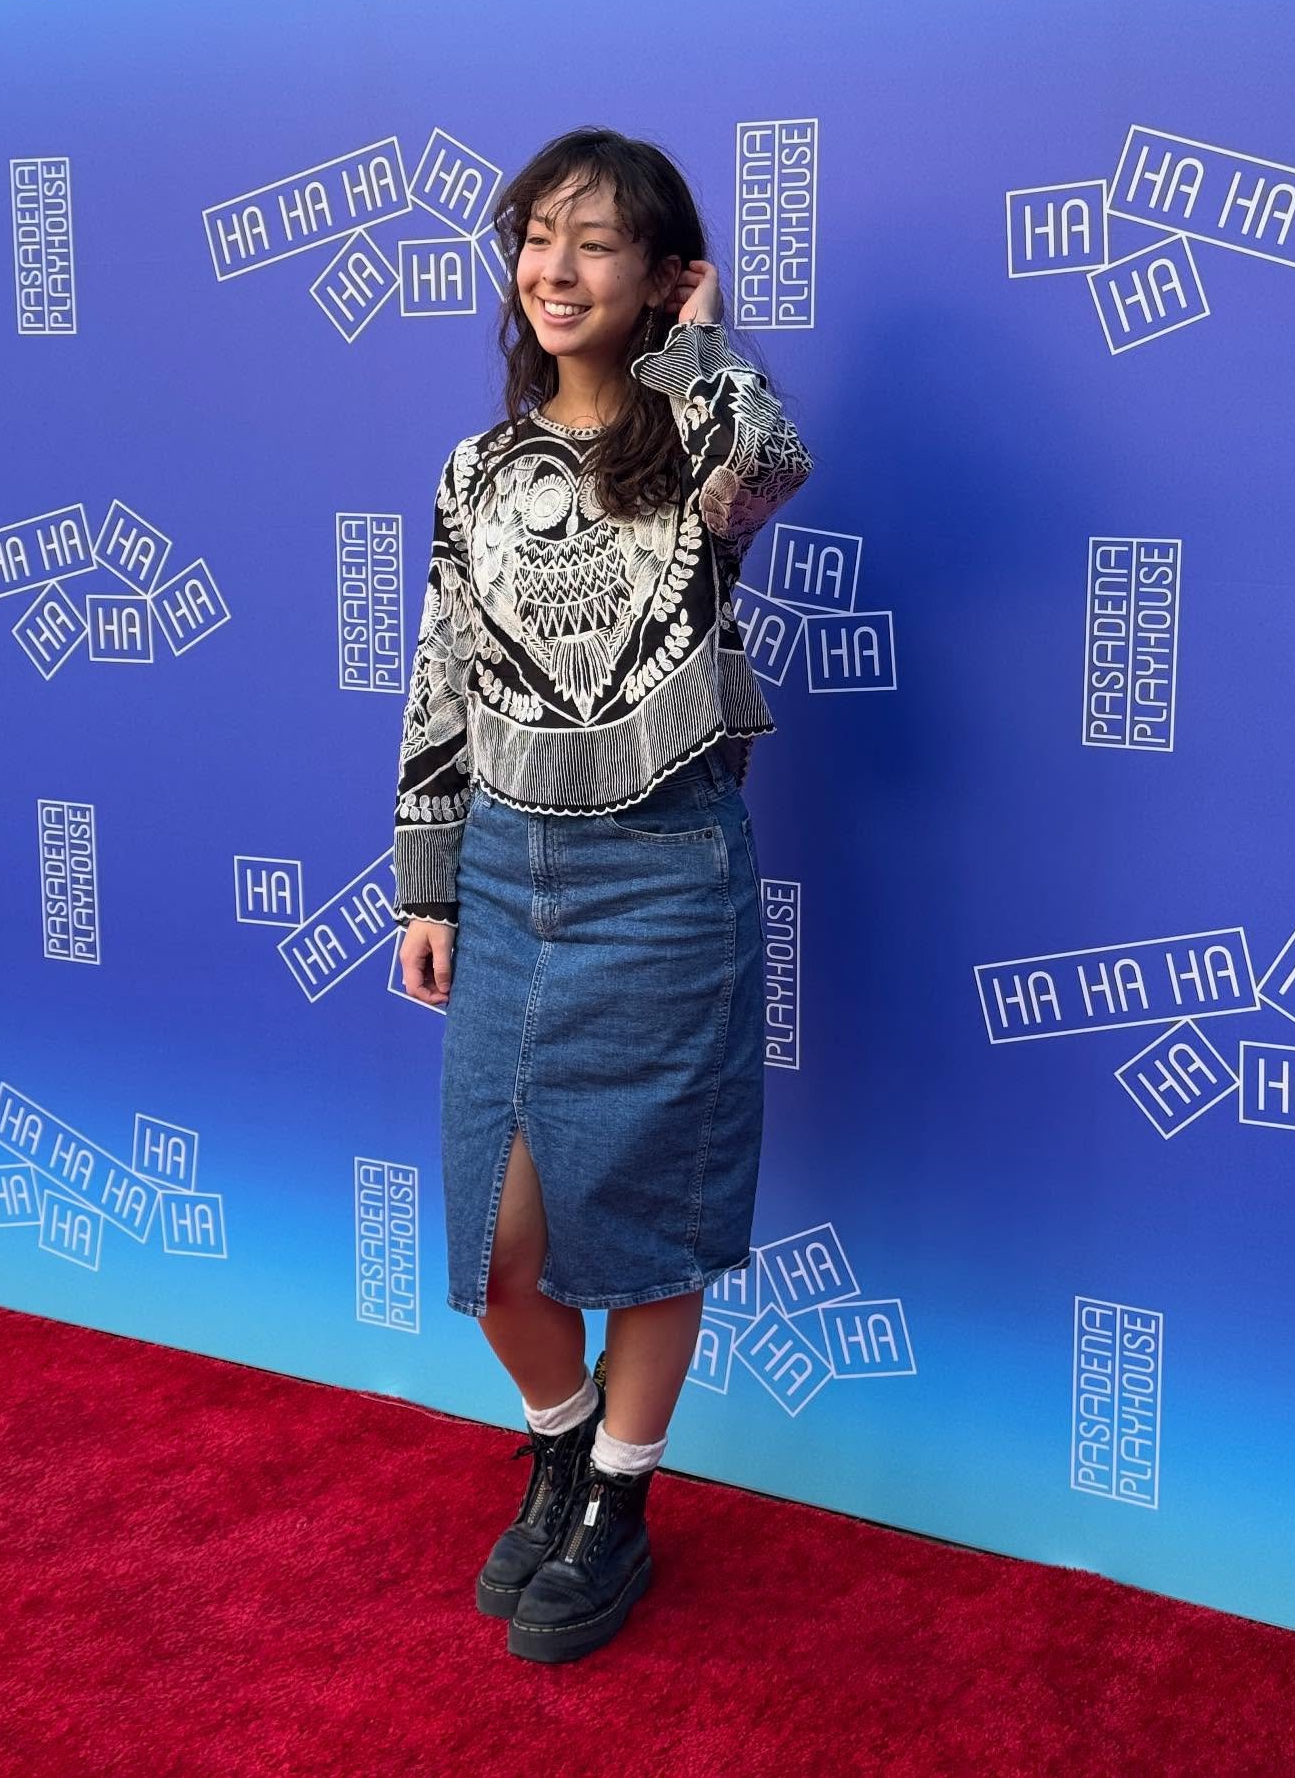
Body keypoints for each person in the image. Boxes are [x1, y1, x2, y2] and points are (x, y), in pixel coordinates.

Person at [391, 127, 815, 1663]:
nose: (556, 268)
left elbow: (769, 461)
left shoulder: (699, 449)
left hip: (664, 870)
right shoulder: (476, 469)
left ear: (658, 276)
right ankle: (565, 1446)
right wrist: (430, 883)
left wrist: (703, 341)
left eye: (595, 242)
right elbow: (442, 681)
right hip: (508, 872)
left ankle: (620, 1503)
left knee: (640, 1225)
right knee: (499, 1250)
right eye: (537, 236)